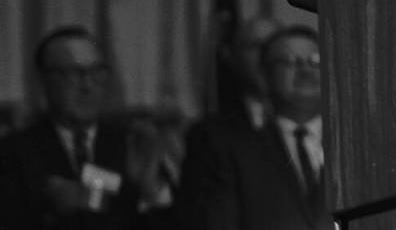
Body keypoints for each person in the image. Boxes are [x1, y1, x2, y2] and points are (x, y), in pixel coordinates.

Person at [0, 26, 173, 229]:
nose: (88, 86)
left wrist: (150, 190)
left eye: (97, 72)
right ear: (43, 81)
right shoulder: (13, 152)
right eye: (73, 74)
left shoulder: (132, 144)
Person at [192, 25, 327, 230]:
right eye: (290, 61)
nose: (305, 70)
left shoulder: (356, 144)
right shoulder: (233, 150)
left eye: (315, 60)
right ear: (265, 76)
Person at [176, 16, 282, 224]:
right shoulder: (208, 136)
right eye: (255, 46)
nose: (266, 55)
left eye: (274, 44)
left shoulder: (327, 125)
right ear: (230, 55)